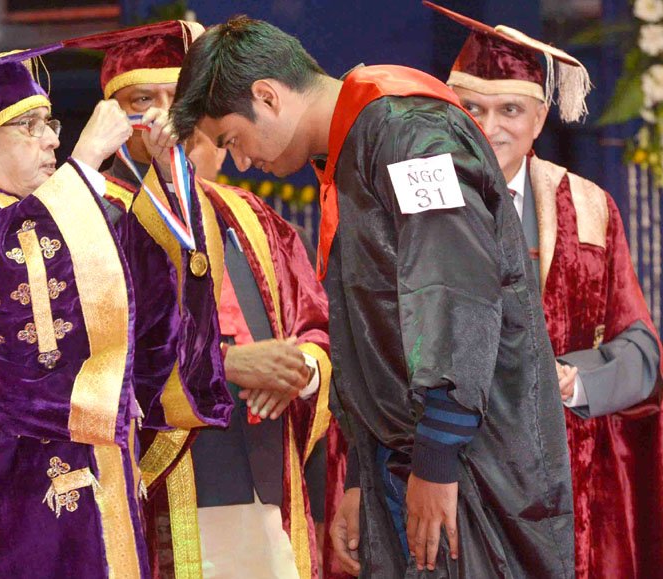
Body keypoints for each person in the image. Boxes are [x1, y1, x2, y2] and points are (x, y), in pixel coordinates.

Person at [171, 15, 575, 578]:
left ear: (267, 95)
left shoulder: (410, 133)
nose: (240, 162)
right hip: (406, 459)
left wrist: (435, 459)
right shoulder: (357, 142)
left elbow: (455, 293)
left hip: (469, 466)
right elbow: (377, 330)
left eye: (233, 139)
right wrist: (362, 473)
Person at [0, 47, 231, 578]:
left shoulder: (51, 221)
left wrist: (163, 175)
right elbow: (2, 315)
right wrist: (86, 161)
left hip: (80, 498)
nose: (51, 139)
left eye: (50, 123)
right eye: (28, 126)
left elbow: (139, 309)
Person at [64, 21, 333, 578]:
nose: (166, 117)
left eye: (178, 99)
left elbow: (316, 323)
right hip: (163, 490)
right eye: (143, 101)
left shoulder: (251, 215)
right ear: (112, 115)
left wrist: (297, 371)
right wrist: (230, 364)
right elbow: (83, 363)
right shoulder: (85, 223)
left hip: (272, 481)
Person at [424, 3, 663, 577]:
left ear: (540, 118)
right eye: (472, 108)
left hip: (566, 487)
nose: (489, 125)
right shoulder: (416, 197)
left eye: (510, 109)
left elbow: (641, 350)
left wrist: (577, 381)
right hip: (453, 484)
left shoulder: (587, 207)